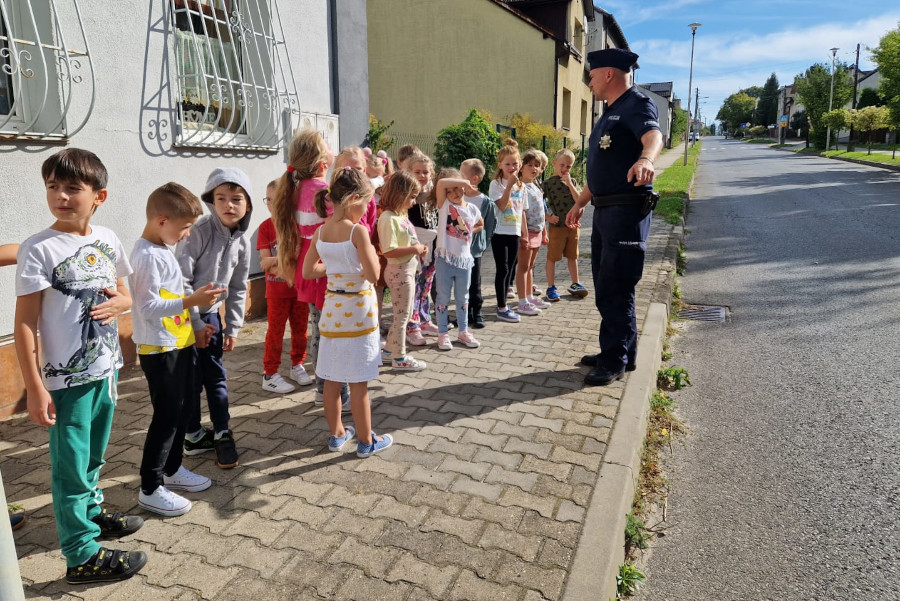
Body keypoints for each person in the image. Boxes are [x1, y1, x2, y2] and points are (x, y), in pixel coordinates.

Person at [14, 148, 147, 583]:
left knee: (93, 457)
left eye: (73, 187)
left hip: (105, 373)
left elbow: (124, 295)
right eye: (53, 186)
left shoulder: (107, 239)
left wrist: (120, 306)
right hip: (64, 383)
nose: (61, 196)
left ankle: (92, 512)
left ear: (99, 196)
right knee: (69, 468)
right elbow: (25, 325)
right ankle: (81, 554)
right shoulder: (38, 248)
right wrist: (34, 386)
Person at [565, 48, 663, 386]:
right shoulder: (609, 112)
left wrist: (647, 159)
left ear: (608, 74)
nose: (589, 81)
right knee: (609, 284)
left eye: (592, 75)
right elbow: (603, 168)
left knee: (615, 285)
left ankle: (614, 359)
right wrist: (580, 202)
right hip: (605, 209)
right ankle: (622, 351)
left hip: (624, 210)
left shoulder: (636, 104)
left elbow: (653, 136)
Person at [130, 183, 219, 516]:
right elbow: (147, 306)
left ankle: (173, 469)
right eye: (183, 228)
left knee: (181, 411)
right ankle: (151, 487)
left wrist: (196, 325)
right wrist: (192, 301)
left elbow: (175, 293)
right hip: (159, 348)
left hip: (177, 342)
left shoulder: (163, 248)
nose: (185, 236)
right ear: (161, 220)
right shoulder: (144, 255)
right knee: (166, 417)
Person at [302, 168, 393, 458]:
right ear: (354, 198)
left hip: (332, 313)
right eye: (366, 203)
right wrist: (370, 261)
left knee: (331, 378)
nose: (367, 208)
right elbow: (373, 274)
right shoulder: (358, 231)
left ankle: (337, 433)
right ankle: (367, 440)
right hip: (358, 313)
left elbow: (307, 271)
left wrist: (335, 267)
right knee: (358, 382)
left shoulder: (321, 231)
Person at [176, 167, 253, 469]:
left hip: (214, 319)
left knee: (216, 377)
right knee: (191, 381)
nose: (228, 205)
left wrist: (233, 326)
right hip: (186, 318)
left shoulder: (242, 242)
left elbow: (238, 287)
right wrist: (195, 324)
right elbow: (181, 280)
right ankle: (193, 436)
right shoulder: (198, 232)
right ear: (210, 200)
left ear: (247, 205)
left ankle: (222, 432)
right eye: (221, 198)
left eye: (236, 199)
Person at [271, 128, 350, 410]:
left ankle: (322, 389)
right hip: (325, 266)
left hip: (306, 261)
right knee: (332, 333)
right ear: (322, 163)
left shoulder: (293, 189)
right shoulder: (323, 192)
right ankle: (333, 392)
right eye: (329, 147)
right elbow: (344, 225)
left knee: (320, 330)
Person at [257, 179, 311, 394]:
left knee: (300, 331)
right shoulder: (265, 228)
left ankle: (297, 365)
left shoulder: (299, 226)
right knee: (275, 332)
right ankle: (270, 374)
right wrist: (286, 264)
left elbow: (301, 260)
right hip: (277, 292)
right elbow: (264, 263)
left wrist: (276, 261)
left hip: (299, 290)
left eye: (276, 199)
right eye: (267, 199)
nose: (271, 204)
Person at [376, 170, 428, 370]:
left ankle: (389, 351)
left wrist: (418, 247)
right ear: (400, 194)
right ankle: (400, 358)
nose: (414, 202)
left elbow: (408, 237)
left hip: (407, 270)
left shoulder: (400, 215)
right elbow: (389, 251)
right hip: (399, 272)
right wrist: (414, 248)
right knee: (402, 317)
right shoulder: (388, 218)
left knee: (402, 314)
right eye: (412, 197)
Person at [432, 168, 484, 350]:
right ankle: (443, 333)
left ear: (464, 190)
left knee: (463, 298)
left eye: (458, 188)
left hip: (464, 261)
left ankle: (463, 331)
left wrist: (468, 231)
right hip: (445, 259)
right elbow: (440, 184)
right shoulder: (444, 205)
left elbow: (480, 224)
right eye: (450, 189)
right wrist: (462, 182)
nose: (453, 193)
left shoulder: (472, 209)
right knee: (443, 297)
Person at [543, 148, 588, 301]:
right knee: (552, 257)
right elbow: (536, 204)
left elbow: (580, 201)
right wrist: (548, 217)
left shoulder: (573, 182)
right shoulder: (547, 184)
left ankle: (575, 283)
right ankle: (551, 287)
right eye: (561, 165)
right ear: (554, 163)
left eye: (568, 166)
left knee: (572, 256)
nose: (564, 169)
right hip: (557, 227)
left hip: (573, 227)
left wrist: (569, 184)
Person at [404, 153, 439, 345]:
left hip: (430, 246)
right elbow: (417, 199)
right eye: (417, 172)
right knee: (415, 288)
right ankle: (412, 326)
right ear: (409, 173)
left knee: (426, 285)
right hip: (414, 246)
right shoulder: (409, 192)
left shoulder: (433, 190)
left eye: (426, 172)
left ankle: (424, 320)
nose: (422, 175)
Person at [489, 139, 526, 323]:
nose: (512, 167)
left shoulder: (523, 185)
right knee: (502, 269)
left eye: (515, 163)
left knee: (511, 269)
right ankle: (501, 307)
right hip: (499, 232)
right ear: (500, 165)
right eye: (508, 164)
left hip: (515, 233)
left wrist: (524, 233)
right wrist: (509, 186)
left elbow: (522, 212)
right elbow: (502, 206)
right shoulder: (496, 184)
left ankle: (504, 304)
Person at [459, 159, 496, 329]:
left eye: (461, 174)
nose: (458, 177)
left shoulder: (485, 201)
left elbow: (489, 225)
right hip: (458, 249)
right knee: (461, 283)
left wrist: (482, 245)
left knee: (475, 282)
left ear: (474, 179)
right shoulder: (456, 196)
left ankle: (477, 312)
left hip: (474, 250)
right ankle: (464, 314)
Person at [515, 149, 551, 316]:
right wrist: (524, 235)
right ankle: (522, 302)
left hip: (537, 231)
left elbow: (542, 212)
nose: (534, 168)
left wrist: (544, 232)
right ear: (521, 168)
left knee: (530, 266)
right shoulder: (521, 187)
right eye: (529, 165)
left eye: (537, 165)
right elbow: (521, 212)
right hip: (527, 232)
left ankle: (529, 297)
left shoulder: (536, 186)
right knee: (522, 267)